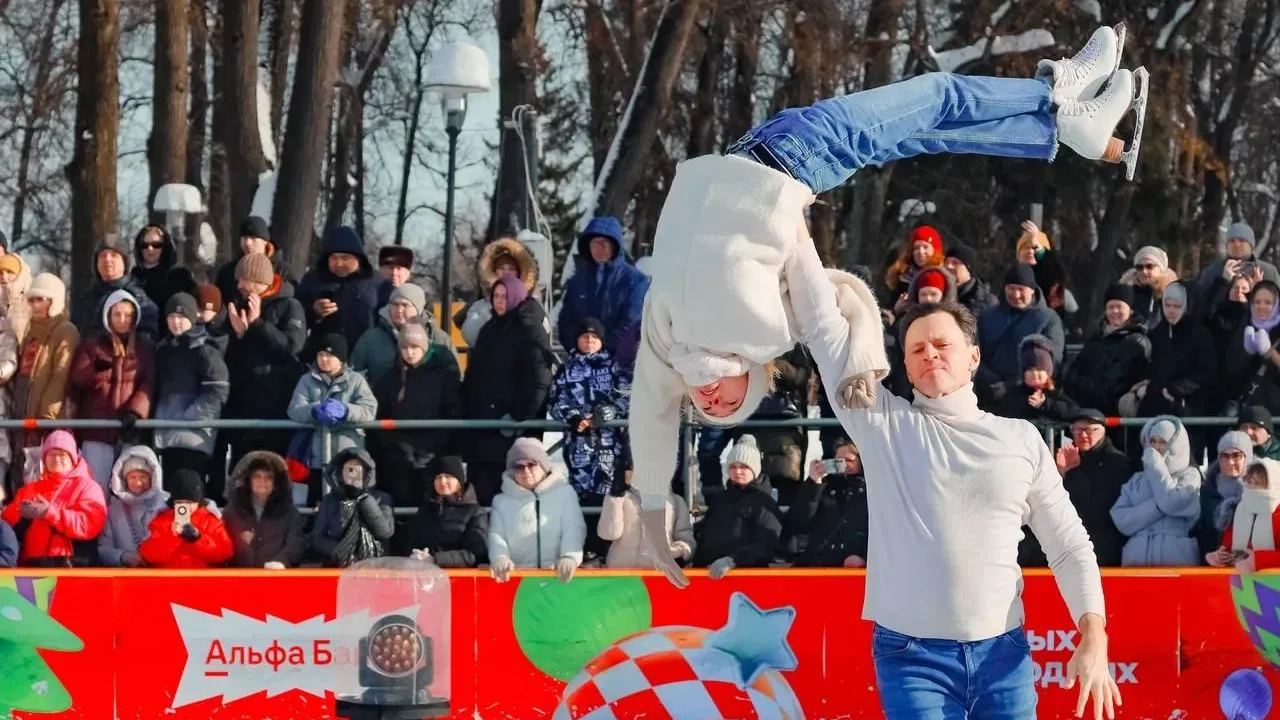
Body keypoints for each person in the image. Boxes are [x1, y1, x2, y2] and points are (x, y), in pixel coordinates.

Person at [630, 25, 1148, 588]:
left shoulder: (668, 336)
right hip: (796, 157)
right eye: (728, 407)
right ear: (750, 384)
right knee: (938, 95)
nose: (713, 400)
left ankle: (1066, 132)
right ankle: (1057, 91)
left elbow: (649, 416)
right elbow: (845, 299)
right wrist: (863, 365)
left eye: (707, 407)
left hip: (748, 149)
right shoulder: (769, 330)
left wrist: (653, 518)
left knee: (925, 133)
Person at [784, 213, 1118, 714]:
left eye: (943, 344)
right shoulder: (884, 427)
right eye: (917, 348)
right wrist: (790, 221)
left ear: (974, 358)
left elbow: (1068, 546)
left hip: (1004, 657)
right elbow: (827, 335)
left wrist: (1093, 631)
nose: (930, 354)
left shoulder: (1020, 439)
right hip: (911, 657)